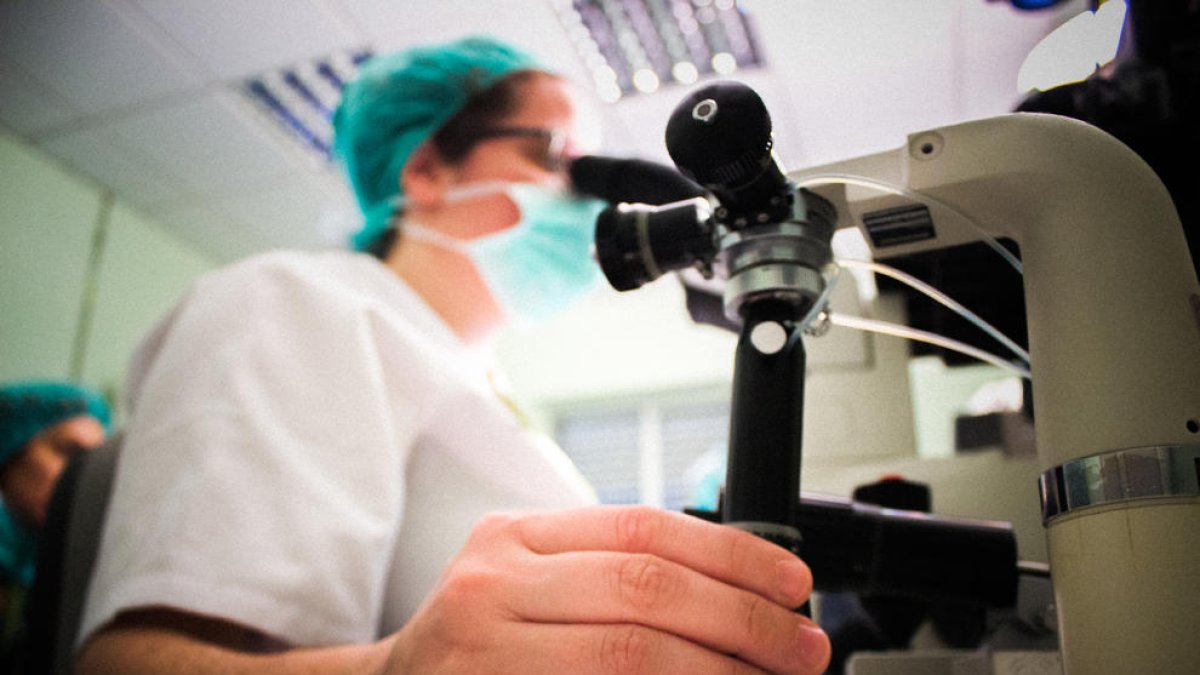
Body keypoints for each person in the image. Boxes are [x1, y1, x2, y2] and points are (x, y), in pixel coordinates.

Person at [74, 35, 831, 674]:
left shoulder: (486, 390)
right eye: (558, 159)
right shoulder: (294, 303)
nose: (587, 201)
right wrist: (398, 666)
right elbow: (130, 660)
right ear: (425, 169)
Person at [0, 380, 110, 665]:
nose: (80, 476)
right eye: (70, 453)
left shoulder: (59, 568)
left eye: (91, 462)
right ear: (11, 452)